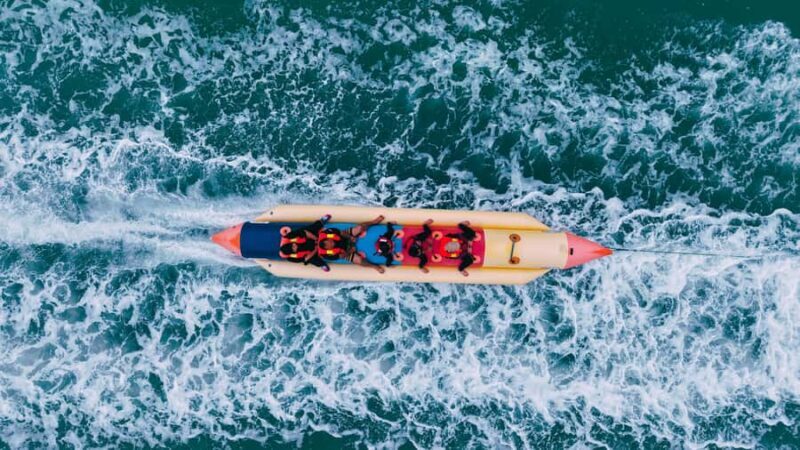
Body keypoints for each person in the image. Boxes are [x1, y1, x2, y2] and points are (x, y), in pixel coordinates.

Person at [317, 215, 386, 273]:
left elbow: (341, 233)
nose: (332, 243)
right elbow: (341, 256)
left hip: (344, 237)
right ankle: (374, 266)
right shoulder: (326, 255)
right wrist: (350, 251)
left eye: (330, 241)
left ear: (328, 238)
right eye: (330, 245)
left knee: (359, 228)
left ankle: (373, 222)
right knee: (359, 261)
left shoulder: (328, 233)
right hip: (345, 251)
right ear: (328, 249)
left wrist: (351, 237)